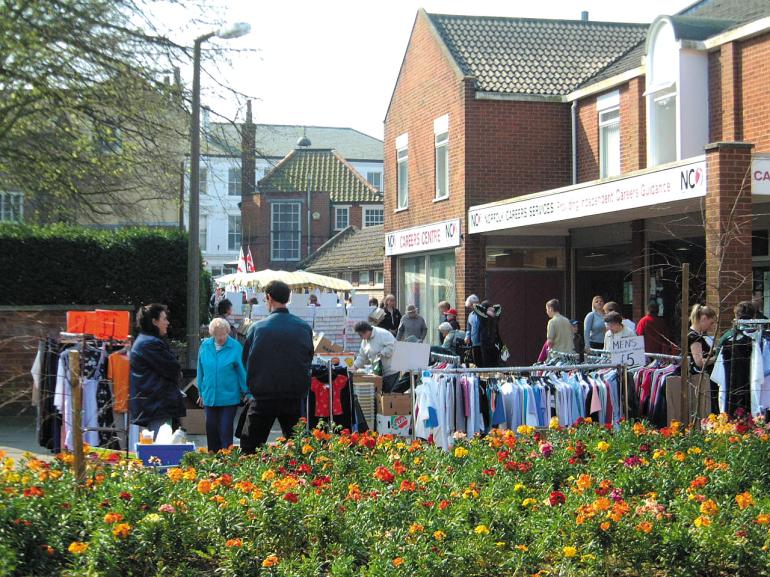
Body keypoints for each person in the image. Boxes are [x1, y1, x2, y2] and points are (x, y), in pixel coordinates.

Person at [240, 280, 313, 453]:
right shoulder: (303, 327)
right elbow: (308, 357)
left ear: (269, 298)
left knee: (250, 449)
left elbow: (246, 360)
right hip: (293, 394)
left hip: (263, 394)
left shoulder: (257, 328)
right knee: (299, 450)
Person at [129, 304, 185, 437]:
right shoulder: (150, 343)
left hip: (154, 405)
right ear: (154, 321)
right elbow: (173, 368)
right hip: (156, 406)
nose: (167, 322)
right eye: (164, 319)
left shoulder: (146, 341)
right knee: (159, 450)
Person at [197, 318, 249, 453]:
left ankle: (227, 461)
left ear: (228, 332)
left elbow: (242, 372)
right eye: (217, 335)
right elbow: (200, 370)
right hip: (210, 396)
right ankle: (213, 462)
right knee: (211, 429)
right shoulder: (205, 346)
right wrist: (200, 393)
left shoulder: (236, 347)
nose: (220, 338)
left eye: (223, 334)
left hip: (229, 397)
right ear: (212, 334)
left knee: (226, 430)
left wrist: (247, 391)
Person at [687, 304, 718, 414]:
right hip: (701, 379)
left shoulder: (695, 335)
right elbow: (699, 362)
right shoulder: (694, 337)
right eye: (711, 323)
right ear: (704, 319)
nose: (711, 327)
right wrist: (716, 358)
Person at [353, 321, 399, 392]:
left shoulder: (382, 334)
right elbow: (362, 356)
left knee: (389, 395)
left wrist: (383, 353)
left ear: (366, 331)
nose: (361, 338)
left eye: (361, 335)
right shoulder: (365, 341)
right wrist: (354, 367)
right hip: (378, 373)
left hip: (391, 372)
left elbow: (393, 345)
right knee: (379, 395)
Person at [473, 301, 503, 367]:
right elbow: (498, 306)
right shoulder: (495, 315)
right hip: (493, 341)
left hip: (486, 342)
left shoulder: (483, 315)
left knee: (487, 361)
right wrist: (491, 309)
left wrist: (486, 310)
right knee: (493, 361)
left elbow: (475, 306)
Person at [464, 294, 481, 365]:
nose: (471, 308)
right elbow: (469, 327)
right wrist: (467, 337)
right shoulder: (471, 315)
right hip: (474, 343)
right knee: (476, 362)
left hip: (483, 343)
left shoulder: (483, 313)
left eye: (471, 306)